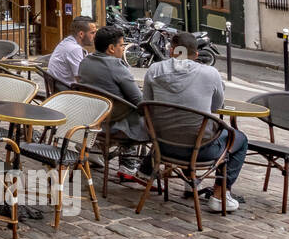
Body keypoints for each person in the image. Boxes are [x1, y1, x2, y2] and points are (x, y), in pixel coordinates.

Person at [142, 31, 247, 213]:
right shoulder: (210, 73)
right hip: (201, 150)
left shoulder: (154, 70)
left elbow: (148, 105)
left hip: (162, 146)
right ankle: (220, 195)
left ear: (171, 51)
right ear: (196, 54)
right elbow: (216, 107)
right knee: (239, 139)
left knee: (184, 128)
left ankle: (190, 182)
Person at [78, 26, 148, 179]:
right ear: (111, 48)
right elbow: (138, 100)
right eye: (121, 45)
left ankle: (123, 158)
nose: (123, 49)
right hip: (116, 124)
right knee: (151, 117)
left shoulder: (85, 62)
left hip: (93, 119)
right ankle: (133, 164)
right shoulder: (116, 66)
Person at [48, 16, 96, 88]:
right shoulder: (75, 49)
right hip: (66, 91)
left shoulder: (67, 41)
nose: (95, 36)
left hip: (59, 87)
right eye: (92, 33)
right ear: (81, 34)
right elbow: (81, 80)